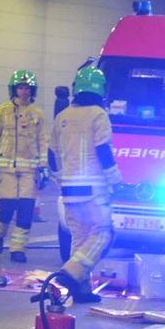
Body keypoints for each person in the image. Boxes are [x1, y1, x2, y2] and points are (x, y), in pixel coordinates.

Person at [48, 66, 122, 303]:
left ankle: (81, 291)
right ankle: (69, 276)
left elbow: (51, 155)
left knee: (80, 239)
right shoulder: (98, 115)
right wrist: (116, 181)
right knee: (103, 233)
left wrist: (61, 178)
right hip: (93, 189)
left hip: (69, 190)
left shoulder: (62, 117)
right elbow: (103, 150)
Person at [0, 70, 49, 262]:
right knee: (7, 207)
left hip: (29, 170)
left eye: (27, 88)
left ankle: (18, 248)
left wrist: (44, 167)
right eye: (20, 87)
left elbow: (43, 141)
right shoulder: (2, 111)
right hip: (6, 169)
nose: (24, 92)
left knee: (26, 209)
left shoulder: (38, 115)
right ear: (14, 89)